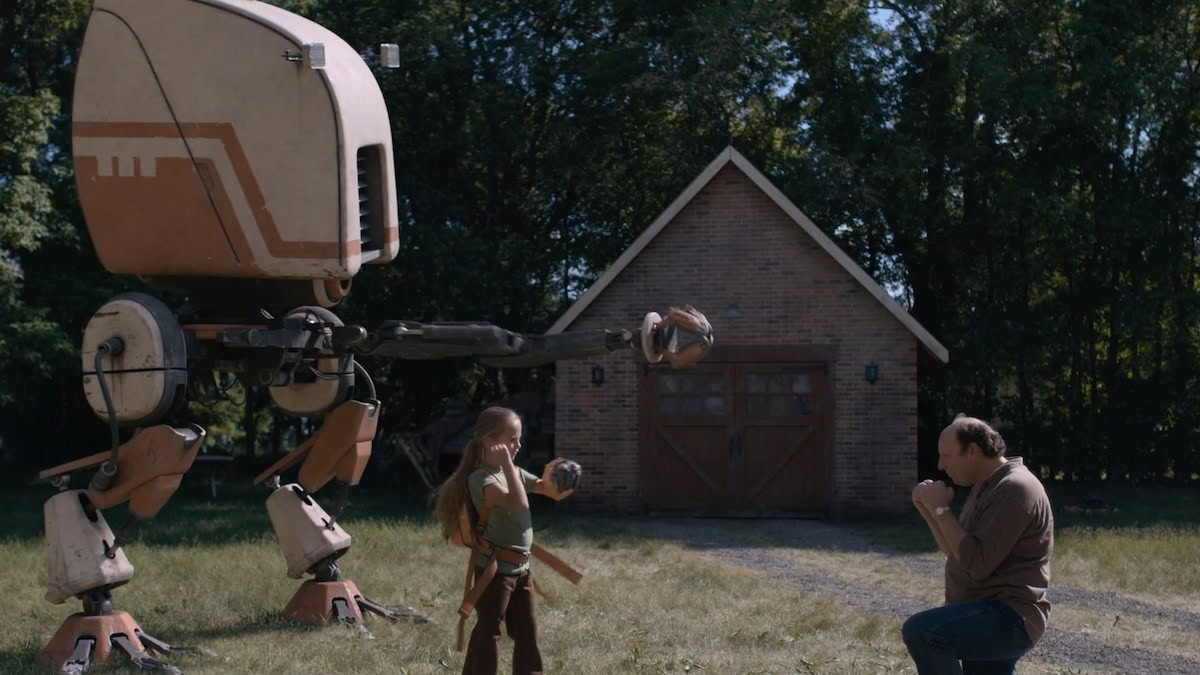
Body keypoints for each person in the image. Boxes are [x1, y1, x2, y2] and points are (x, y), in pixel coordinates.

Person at [903, 415, 1054, 675]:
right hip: (987, 610)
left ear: (971, 451)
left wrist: (941, 509)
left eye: (946, 456)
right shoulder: (986, 487)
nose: (940, 465)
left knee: (924, 632)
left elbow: (977, 564)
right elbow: (956, 551)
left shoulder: (1015, 489)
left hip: (1010, 617)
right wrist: (929, 508)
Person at [433, 406, 578, 675]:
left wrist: (561, 480)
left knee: (527, 632)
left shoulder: (515, 473)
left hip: (521, 570)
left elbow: (550, 492)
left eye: (518, 439)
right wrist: (509, 466)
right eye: (512, 439)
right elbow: (518, 503)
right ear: (489, 440)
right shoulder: (481, 478)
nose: (518, 445)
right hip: (494, 571)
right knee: (489, 632)